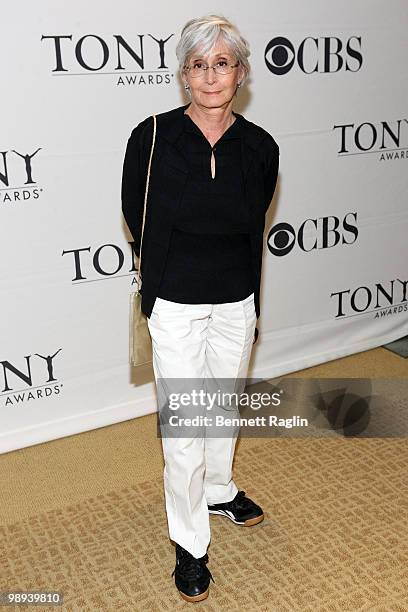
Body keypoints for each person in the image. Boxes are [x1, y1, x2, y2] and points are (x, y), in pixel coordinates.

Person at [121, 14, 279, 603]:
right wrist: (160, 289)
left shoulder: (260, 145)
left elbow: (252, 221)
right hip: (176, 304)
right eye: (198, 64)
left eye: (222, 63)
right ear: (183, 74)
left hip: (236, 299)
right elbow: (134, 212)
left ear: (239, 72)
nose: (211, 75)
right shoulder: (153, 135)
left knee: (224, 407)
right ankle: (190, 543)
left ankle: (219, 486)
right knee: (185, 426)